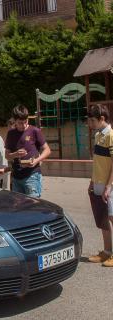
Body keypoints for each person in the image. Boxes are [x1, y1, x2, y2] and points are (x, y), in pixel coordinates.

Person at [86, 104, 113, 267]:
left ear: (102, 119)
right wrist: (92, 181)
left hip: (109, 185)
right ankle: (107, 252)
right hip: (98, 182)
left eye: (92, 120)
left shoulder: (111, 135)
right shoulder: (97, 136)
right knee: (103, 218)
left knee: (111, 217)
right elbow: (98, 162)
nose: (90, 124)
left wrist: (109, 186)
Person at [5, 105, 51, 197]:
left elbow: (47, 150)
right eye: (20, 123)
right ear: (14, 121)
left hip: (32, 175)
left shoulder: (35, 131)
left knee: (32, 206)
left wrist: (37, 161)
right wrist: (15, 154)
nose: (24, 125)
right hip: (16, 177)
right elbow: (7, 155)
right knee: (18, 208)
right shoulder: (11, 134)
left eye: (26, 122)